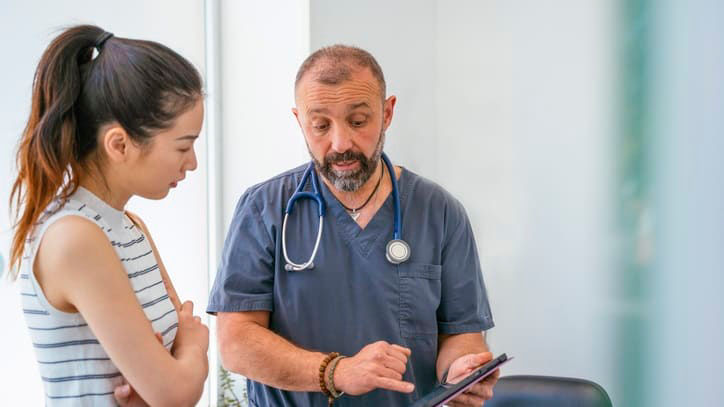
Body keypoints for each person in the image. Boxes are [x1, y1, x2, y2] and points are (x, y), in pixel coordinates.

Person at [208, 45, 498, 406]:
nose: (341, 143)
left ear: (387, 112)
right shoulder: (264, 208)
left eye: (358, 122)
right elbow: (236, 344)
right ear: (300, 121)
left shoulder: (439, 212)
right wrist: (337, 372)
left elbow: (462, 335)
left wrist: (462, 371)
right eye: (320, 125)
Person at [8, 25, 208, 406]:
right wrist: (195, 349)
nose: (193, 163)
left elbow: (171, 378)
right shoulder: (74, 237)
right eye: (183, 146)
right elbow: (176, 391)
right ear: (119, 144)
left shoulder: (131, 228)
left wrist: (178, 366)